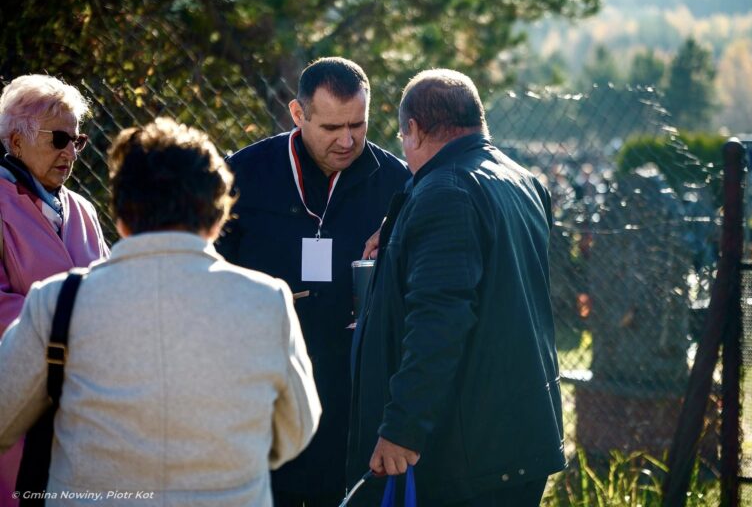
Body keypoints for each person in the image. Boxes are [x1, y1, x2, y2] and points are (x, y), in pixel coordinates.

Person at [0, 117, 321, 506]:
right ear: (217, 217)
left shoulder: (58, 303)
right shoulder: (266, 301)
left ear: (120, 215)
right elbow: (296, 430)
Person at [347, 69, 566, 506]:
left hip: (469, 453)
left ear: (413, 129)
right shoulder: (522, 181)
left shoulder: (447, 190)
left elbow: (439, 321)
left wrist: (403, 428)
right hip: (520, 434)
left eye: (402, 136)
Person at [216, 57, 410, 506]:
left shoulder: (397, 182)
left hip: (352, 396)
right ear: (298, 114)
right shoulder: (242, 175)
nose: (347, 140)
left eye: (357, 125)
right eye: (331, 127)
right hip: (265, 391)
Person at [0, 74, 110, 507]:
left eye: (77, 141)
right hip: (18, 398)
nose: (71, 152)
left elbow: (106, 286)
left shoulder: (82, 208)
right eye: (59, 139)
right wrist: (67, 326)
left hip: (81, 400)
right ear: (16, 142)